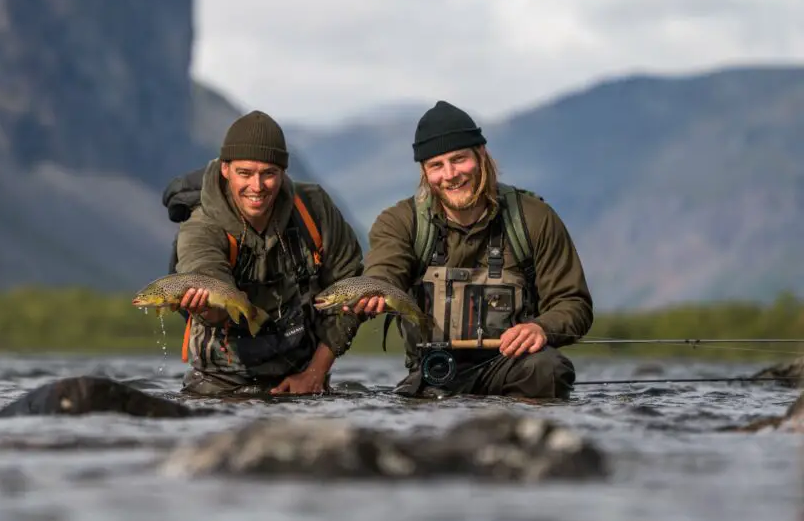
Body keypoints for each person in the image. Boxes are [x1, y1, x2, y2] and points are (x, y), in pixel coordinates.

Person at [354, 100, 594, 399]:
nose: (450, 174)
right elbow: (386, 268)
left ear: (481, 155)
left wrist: (541, 328)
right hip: (435, 371)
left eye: (459, 159)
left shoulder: (534, 218)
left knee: (550, 370)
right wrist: (376, 290)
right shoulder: (400, 221)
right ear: (424, 172)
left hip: (513, 365)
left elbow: (573, 303)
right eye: (436, 165)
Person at [164, 110, 364, 396]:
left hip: (305, 380)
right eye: (244, 173)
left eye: (268, 174)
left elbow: (351, 288)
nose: (256, 187)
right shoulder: (200, 227)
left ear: (283, 172)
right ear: (225, 169)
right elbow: (205, 271)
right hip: (221, 383)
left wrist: (315, 374)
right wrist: (208, 309)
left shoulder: (314, 209)